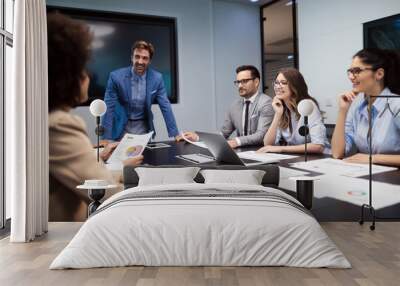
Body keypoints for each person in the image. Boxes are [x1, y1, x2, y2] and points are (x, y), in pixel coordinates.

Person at [48, 13, 143, 222]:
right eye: (83, 68)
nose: (88, 76)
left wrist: (100, 154)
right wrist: (128, 170)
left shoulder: (45, 120)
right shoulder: (59, 124)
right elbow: (106, 191)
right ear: (69, 75)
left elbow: (75, 168)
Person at [331, 48, 400, 167]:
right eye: (350, 71)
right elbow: (337, 153)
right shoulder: (357, 109)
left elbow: (370, 159)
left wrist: (372, 158)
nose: (351, 77)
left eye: (357, 71)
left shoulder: (396, 104)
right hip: (367, 178)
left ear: (379, 74)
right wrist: (343, 111)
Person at [179, 65, 274, 148]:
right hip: (242, 151)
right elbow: (224, 133)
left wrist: (236, 141)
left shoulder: (266, 103)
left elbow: (261, 135)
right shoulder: (234, 106)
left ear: (256, 82)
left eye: (244, 81)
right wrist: (198, 137)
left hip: (261, 151)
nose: (240, 85)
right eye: (238, 82)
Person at [102, 40, 179, 141]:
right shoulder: (116, 77)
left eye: (145, 58)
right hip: (122, 126)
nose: (140, 61)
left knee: (145, 156)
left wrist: (175, 134)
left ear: (149, 61)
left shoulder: (157, 78)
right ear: (132, 57)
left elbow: (165, 106)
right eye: (137, 56)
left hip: (143, 127)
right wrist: (105, 137)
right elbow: (108, 107)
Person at [257, 68, 327, 154]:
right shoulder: (282, 108)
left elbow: (318, 146)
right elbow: (268, 144)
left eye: (283, 83)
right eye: (276, 82)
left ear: (295, 86)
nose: (278, 86)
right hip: (297, 158)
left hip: (320, 159)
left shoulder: (308, 105)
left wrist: (281, 149)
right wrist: (278, 114)